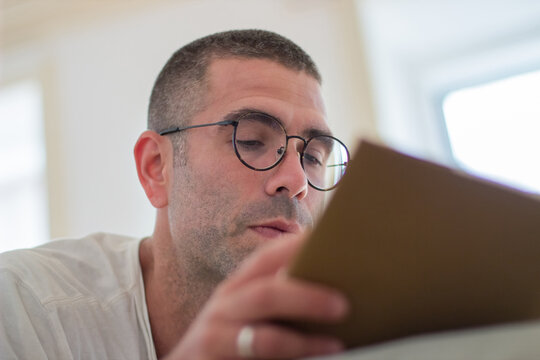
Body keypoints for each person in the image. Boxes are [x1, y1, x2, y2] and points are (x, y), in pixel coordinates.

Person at [0, 29, 351, 359]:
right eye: (251, 141)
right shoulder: (26, 308)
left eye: (312, 157)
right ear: (156, 167)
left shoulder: (351, 329)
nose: (297, 180)